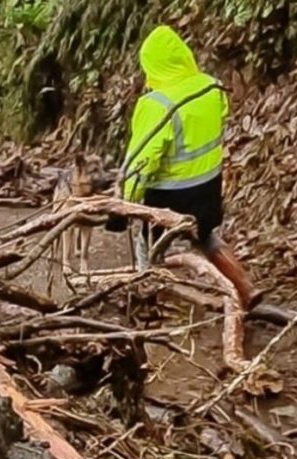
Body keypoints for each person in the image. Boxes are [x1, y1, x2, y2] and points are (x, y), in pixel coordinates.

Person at [111, 25, 259, 309]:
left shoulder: (155, 104)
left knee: (148, 246)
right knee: (204, 235)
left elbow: (142, 161)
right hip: (209, 188)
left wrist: (124, 205)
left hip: (169, 197)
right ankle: (245, 287)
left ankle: (148, 299)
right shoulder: (211, 87)